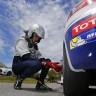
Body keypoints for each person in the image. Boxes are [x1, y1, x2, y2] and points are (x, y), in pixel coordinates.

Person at [12, 24, 52, 91]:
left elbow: (40, 57)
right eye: (36, 36)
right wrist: (42, 62)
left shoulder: (35, 47)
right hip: (17, 66)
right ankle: (19, 79)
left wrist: (49, 63)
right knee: (38, 63)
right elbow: (26, 57)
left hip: (30, 64)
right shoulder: (21, 41)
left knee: (48, 61)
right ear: (31, 33)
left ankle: (40, 83)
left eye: (39, 38)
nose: (37, 38)